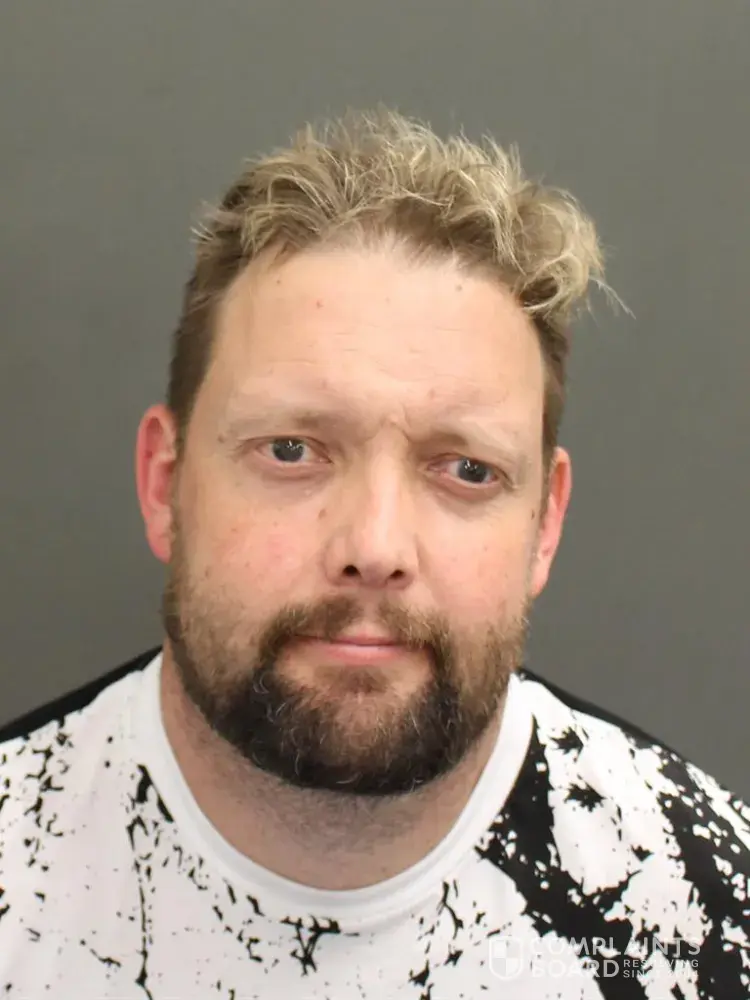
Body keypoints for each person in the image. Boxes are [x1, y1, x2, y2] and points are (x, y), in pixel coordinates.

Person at [0, 109, 747, 1000]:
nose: (376, 547)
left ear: (545, 525)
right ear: (165, 484)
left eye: (466, 469)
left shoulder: (710, 918)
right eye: (291, 451)